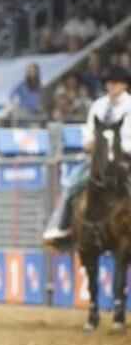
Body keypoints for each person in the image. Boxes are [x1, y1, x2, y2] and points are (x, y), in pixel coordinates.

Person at [43, 66, 131, 242]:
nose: (110, 86)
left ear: (123, 85)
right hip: (98, 157)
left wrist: (120, 148)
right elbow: (89, 131)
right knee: (72, 184)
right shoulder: (98, 105)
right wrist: (89, 142)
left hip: (124, 157)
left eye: (114, 83)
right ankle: (62, 225)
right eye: (108, 83)